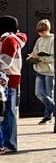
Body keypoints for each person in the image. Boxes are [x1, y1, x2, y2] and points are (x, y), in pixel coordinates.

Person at [0, 15, 27, 154]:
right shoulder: (11, 38)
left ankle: (9, 143)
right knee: (8, 110)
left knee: (7, 111)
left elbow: (6, 60)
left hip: (7, 78)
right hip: (11, 77)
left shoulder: (9, 39)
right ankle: (9, 142)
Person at [29, 19, 56, 125]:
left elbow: (53, 58)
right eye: (39, 31)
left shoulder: (53, 40)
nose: (41, 33)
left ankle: (48, 115)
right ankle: (54, 108)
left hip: (49, 70)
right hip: (40, 69)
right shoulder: (39, 40)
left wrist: (40, 58)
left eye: (43, 31)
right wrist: (33, 57)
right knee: (39, 93)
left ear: (47, 29)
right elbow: (34, 51)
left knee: (49, 93)